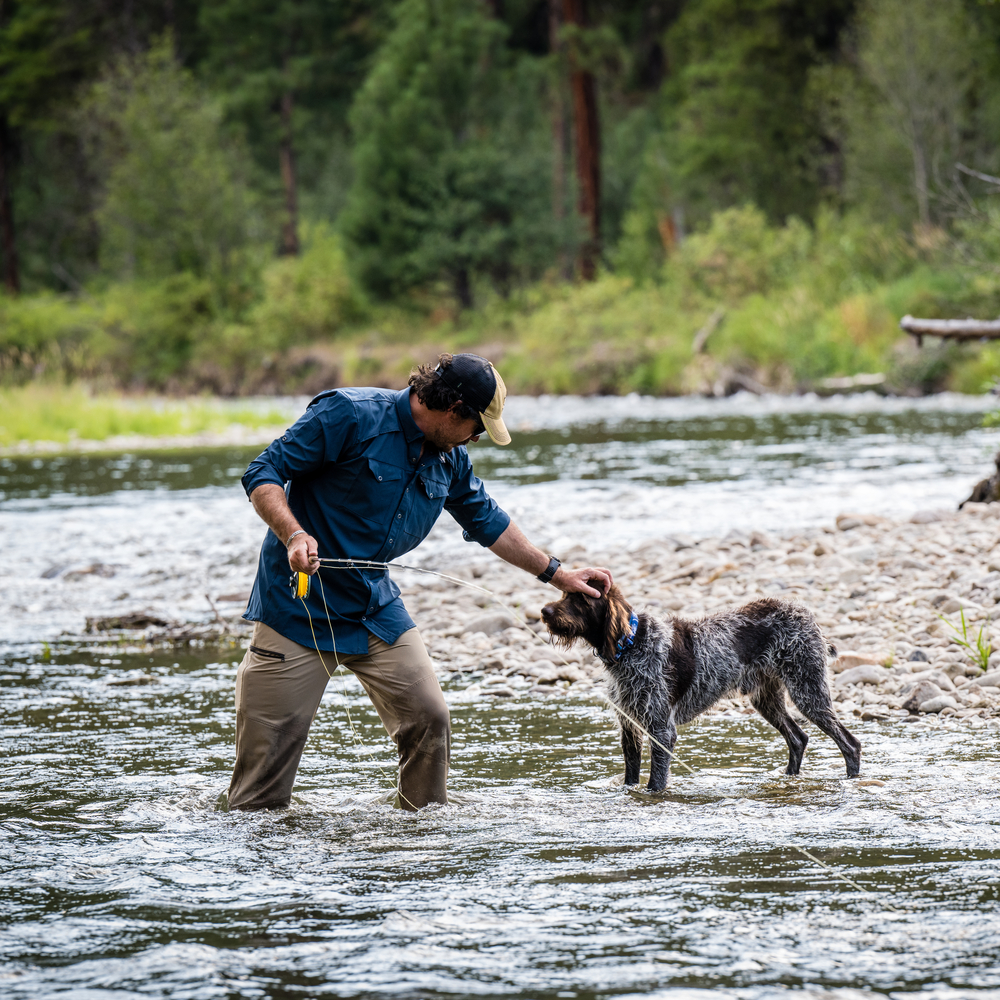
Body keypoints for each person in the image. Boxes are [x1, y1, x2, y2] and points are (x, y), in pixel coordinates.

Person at [229, 353, 613, 811]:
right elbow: (263, 472)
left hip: (374, 607)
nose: (475, 439)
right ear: (452, 409)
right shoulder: (348, 414)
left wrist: (558, 573)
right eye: (475, 428)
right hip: (297, 608)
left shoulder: (450, 456)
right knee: (260, 791)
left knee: (430, 718)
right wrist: (293, 534)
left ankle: (419, 832)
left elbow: (488, 521)